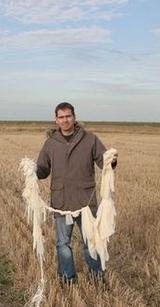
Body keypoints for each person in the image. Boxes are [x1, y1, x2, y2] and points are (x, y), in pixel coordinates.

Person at [35, 102, 117, 284]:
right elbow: (43, 170)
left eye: (68, 116)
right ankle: (67, 277)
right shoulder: (50, 144)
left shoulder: (90, 140)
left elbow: (103, 162)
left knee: (91, 243)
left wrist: (111, 161)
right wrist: (32, 171)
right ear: (56, 120)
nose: (65, 120)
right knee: (63, 244)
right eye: (61, 117)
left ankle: (97, 277)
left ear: (74, 117)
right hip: (61, 201)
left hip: (86, 201)